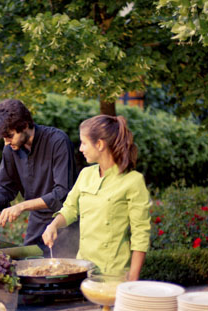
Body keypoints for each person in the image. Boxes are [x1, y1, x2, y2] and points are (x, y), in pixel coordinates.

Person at [42, 115, 151, 280]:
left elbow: (140, 234)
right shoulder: (86, 174)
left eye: (84, 143)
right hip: (82, 269)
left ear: (99, 144)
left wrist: (132, 279)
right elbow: (70, 209)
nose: (80, 148)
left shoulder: (133, 181)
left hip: (112, 274)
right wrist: (53, 225)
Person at [0, 99, 78, 256]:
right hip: (36, 223)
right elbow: (5, 186)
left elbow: (62, 193)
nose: (6, 142)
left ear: (24, 126)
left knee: (62, 274)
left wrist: (21, 206)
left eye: (9, 136)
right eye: (3, 137)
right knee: (27, 270)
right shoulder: (10, 148)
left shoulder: (57, 141)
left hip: (64, 223)